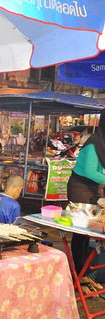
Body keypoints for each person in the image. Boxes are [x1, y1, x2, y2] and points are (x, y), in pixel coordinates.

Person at [68, 109, 105, 283]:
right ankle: (78, 274)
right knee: (80, 232)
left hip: (90, 188)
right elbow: (91, 171)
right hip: (79, 187)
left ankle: (83, 269)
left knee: (88, 232)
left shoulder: (102, 142)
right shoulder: (93, 144)